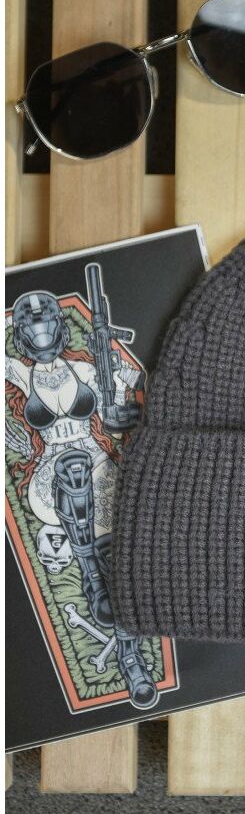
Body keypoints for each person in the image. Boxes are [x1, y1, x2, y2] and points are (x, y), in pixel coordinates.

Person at [6, 290, 158, 708]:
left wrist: (114, 362)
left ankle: (130, 657)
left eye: (47, 323)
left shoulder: (85, 368)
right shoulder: (20, 373)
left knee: (117, 564)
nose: (41, 333)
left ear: (59, 326)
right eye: (31, 326)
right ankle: (89, 569)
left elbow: (141, 383)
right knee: (72, 471)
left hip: (98, 462)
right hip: (52, 474)